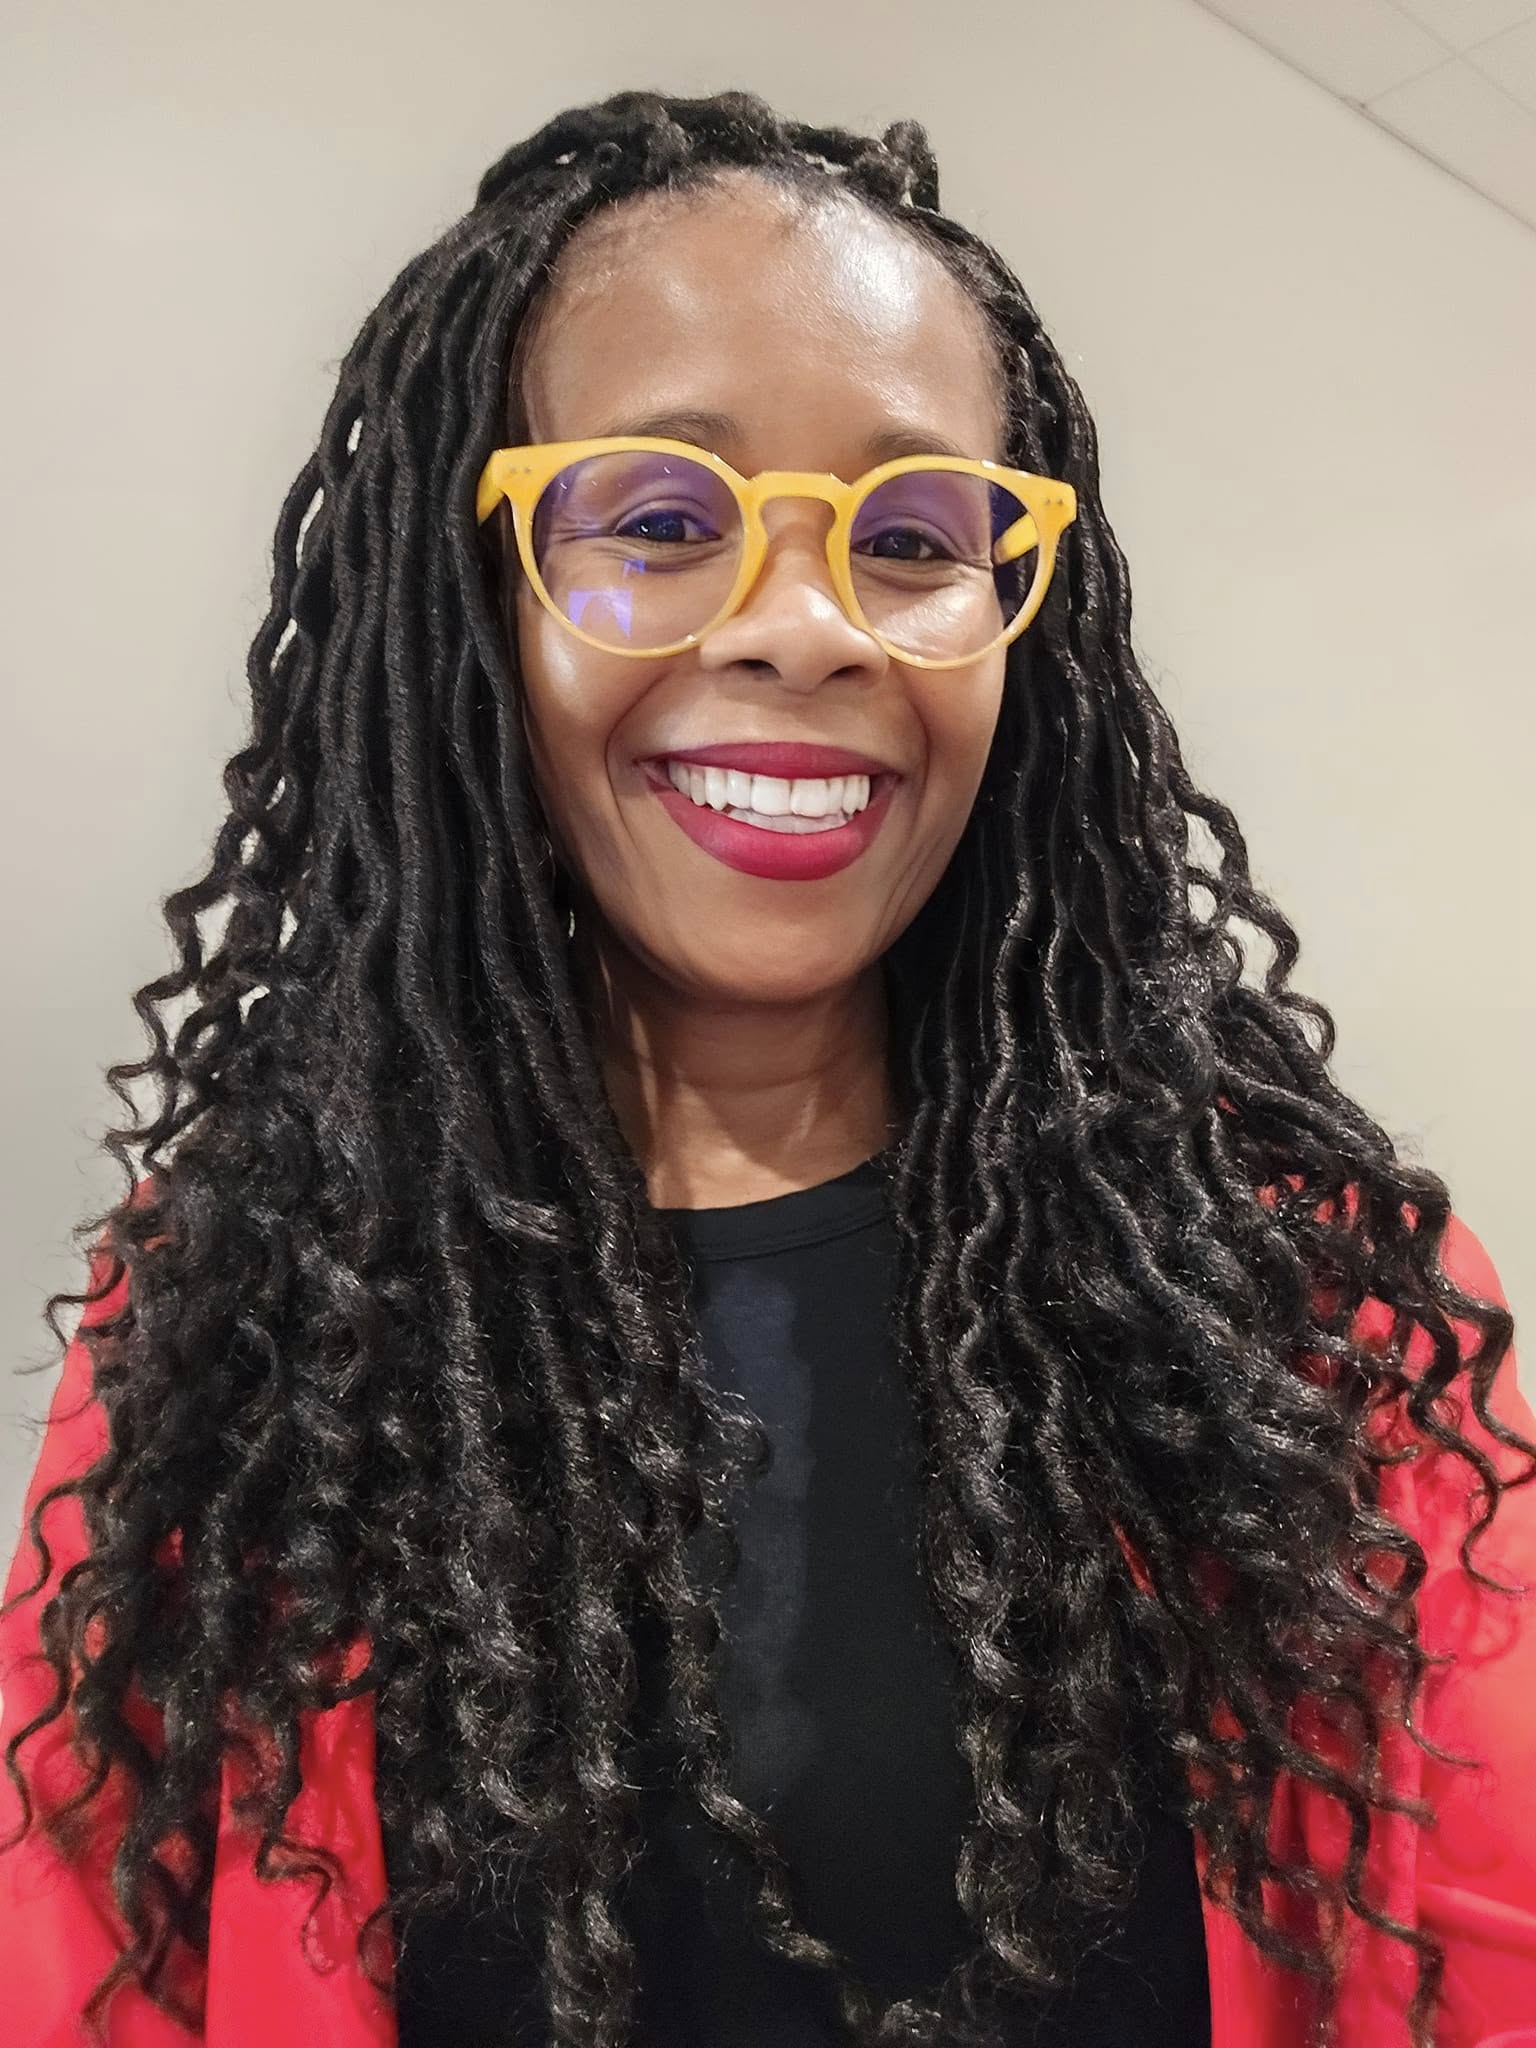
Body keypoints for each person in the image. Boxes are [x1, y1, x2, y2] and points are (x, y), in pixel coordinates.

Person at [2, 84, 1533, 2048]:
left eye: (911, 536)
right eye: (658, 516)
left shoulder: (1299, 1294)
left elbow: (1488, 1964)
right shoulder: (236, 1308)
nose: (804, 629)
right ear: (472, 603)